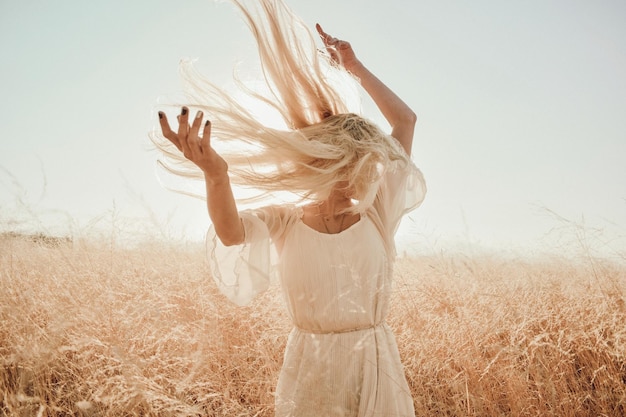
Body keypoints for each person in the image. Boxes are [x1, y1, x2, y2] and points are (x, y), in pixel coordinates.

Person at [154, 0, 426, 415]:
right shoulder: (283, 219)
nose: (367, 168)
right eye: (356, 158)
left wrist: (354, 68)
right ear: (331, 160)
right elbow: (231, 234)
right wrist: (216, 176)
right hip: (310, 369)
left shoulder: (377, 211)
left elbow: (404, 122)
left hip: (374, 366)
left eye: (366, 159)